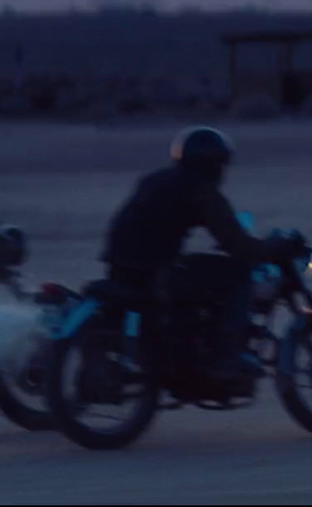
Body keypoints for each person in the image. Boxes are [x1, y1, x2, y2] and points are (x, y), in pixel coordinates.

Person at [99, 126, 296, 382]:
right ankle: (226, 357)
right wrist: (272, 250)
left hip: (120, 266)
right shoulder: (200, 190)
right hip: (156, 271)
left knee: (197, 274)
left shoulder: (156, 180)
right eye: (221, 164)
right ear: (213, 164)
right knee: (238, 275)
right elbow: (235, 243)